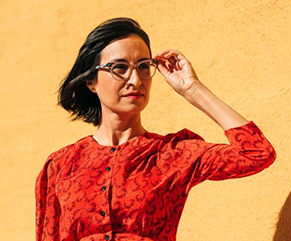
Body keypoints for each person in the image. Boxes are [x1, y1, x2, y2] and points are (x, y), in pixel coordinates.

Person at [35, 17, 276, 241]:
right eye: (119, 67)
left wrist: (192, 89)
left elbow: (256, 153)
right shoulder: (61, 166)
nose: (136, 80)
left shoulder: (173, 155)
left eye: (143, 66)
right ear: (91, 81)